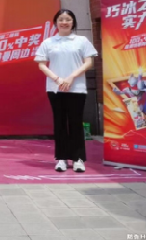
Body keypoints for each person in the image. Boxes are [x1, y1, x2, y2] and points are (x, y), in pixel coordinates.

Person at [34, 9, 98, 173]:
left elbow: (89, 62)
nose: (64, 22)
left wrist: (71, 77)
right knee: (60, 123)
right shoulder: (48, 42)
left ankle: (78, 159)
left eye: (68, 19)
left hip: (77, 88)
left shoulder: (81, 41)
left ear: (73, 22)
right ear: (56, 22)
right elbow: (41, 64)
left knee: (76, 123)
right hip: (55, 89)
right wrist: (57, 79)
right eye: (61, 19)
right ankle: (61, 158)